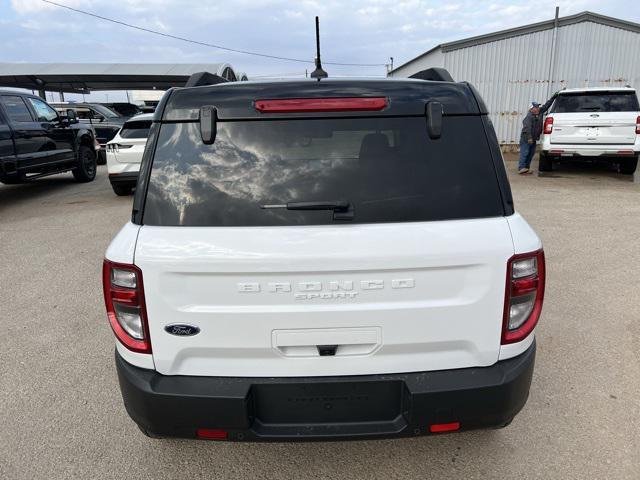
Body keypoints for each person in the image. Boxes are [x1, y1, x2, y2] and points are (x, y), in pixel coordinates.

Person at [519, 94, 557, 174]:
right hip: (526, 138)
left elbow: (547, 105)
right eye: (536, 107)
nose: (538, 108)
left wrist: (553, 97)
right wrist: (529, 138)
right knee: (525, 152)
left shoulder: (539, 113)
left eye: (537, 106)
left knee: (531, 154)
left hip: (533, 138)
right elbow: (527, 128)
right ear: (531, 109)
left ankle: (526, 168)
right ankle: (521, 168)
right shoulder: (528, 117)